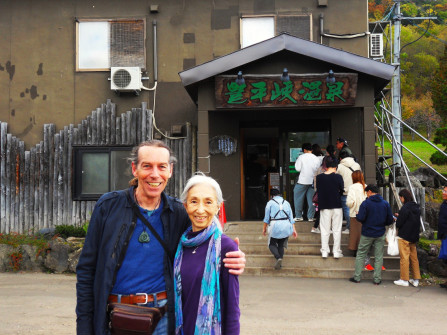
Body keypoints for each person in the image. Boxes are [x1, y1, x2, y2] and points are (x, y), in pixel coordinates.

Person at [76, 140, 246, 335]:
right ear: (134, 169)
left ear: (170, 170)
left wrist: (234, 255)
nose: (154, 174)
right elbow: (86, 271)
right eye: (147, 166)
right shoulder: (108, 207)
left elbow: (206, 236)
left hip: (164, 319)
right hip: (116, 316)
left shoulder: (178, 213)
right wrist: (84, 326)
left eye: (161, 167)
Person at [175, 174, 240, 334]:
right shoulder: (180, 244)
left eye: (208, 202)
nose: (200, 209)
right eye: (194, 201)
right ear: (185, 205)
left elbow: (232, 306)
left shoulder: (225, 247)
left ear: (218, 207)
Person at [349, 184, 393, 285]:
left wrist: (357, 214)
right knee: (378, 256)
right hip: (380, 233)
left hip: (367, 233)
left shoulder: (366, 203)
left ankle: (357, 277)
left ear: (369, 192)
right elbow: (389, 220)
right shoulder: (385, 204)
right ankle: (377, 279)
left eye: (366, 193)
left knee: (361, 254)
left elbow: (361, 218)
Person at [315, 154, 344, 258]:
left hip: (324, 205)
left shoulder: (319, 177)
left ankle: (324, 251)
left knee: (324, 229)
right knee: (337, 229)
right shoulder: (338, 177)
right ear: (336, 166)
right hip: (336, 205)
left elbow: (318, 190)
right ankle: (336, 251)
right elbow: (341, 190)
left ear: (326, 165)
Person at [262, 188, 298, 269]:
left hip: (275, 225)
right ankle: (280, 264)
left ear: (271, 196)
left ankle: (278, 258)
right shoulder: (286, 203)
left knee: (271, 244)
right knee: (281, 245)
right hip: (286, 225)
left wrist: (264, 229)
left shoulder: (270, 203)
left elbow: (266, 219)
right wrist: (294, 230)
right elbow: (291, 218)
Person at [393, 189, 422, 287]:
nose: (400, 199)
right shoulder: (416, 207)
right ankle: (416, 279)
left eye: (400, 197)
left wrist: (397, 218)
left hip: (404, 236)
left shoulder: (405, 208)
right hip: (413, 236)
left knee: (404, 258)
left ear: (403, 197)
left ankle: (404, 279)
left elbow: (399, 223)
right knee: (414, 258)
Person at [293, 142, 321, 222]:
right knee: (312, 200)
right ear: (311, 149)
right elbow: (318, 169)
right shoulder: (316, 158)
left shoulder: (301, 157)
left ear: (304, 150)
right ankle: (310, 217)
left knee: (298, 198)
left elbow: (298, 169)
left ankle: (298, 216)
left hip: (302, 181)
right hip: (312, 181)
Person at [337, 151, 361, 233]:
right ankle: (356, 227)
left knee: (347, 210)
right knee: (356, 209)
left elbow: (337, 179)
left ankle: (349, 227)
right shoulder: (357, 165)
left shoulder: (339, 166)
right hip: (357, 190)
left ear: (341, 158)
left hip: (345, 191)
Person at [346, 170, 366, 256]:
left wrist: (351, 205)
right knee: (363, 233)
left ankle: (355, 250)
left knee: (355, 233)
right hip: (365, 214)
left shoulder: (352, 187)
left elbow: (350, 202)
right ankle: (363, 250)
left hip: (355, 213)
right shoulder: (365, 186)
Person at [438, 185, 447, 289]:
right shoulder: (444, 204)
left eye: (445, 192)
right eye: (443, 191)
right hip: (444, 234)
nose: (443, 193)